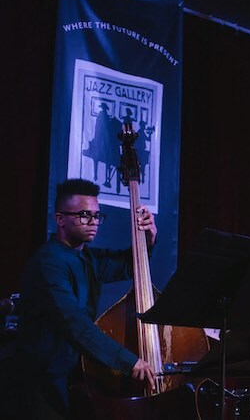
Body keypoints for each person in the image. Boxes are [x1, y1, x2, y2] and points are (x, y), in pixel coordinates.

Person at [13, 178, 157, 419]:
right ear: (60, 219)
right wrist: (130, 362)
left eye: (96, 216)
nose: (93, 223)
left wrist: (149, 238)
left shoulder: (87, 257)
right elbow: (76, 325)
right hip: (43, 382)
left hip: (70, 378)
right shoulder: (48, 263)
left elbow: (128, 265)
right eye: (84, 215)